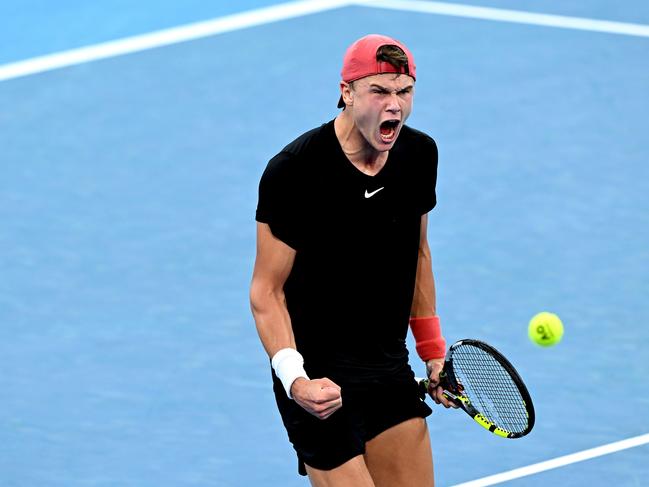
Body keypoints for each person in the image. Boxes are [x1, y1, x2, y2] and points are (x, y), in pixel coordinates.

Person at [250, 34, 456, 486]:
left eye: (404, 91)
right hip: (318, 379)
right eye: (379, 91)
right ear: (347, 93)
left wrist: (433, 352)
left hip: (385, 365)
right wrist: (295, 379)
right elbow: (266, 291)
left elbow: (417, 254)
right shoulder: (295, 171)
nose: (394, 105)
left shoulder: (419, 155)